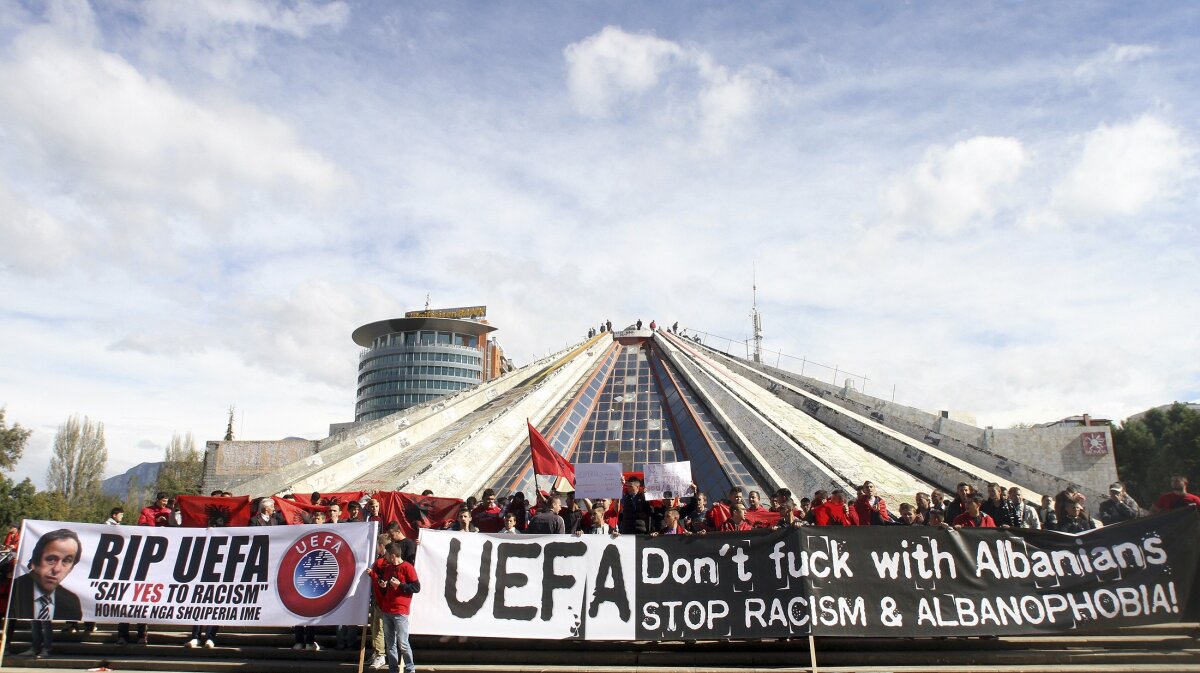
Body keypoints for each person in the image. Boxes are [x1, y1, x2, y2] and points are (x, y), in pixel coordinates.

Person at [12, 529, 83, 658]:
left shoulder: (72, 602)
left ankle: (46, 648)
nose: (57, 569)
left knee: (46, 623)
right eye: (51, 559)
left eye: (67, 561)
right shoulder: (19, 588)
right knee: (35, 622)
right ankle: (35, 647)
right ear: (35, 561)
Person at [372, 541, 420, 673]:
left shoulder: (408, 567)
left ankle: (410, 669)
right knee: (390, 643)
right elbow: (388, 586)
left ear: (392, 555)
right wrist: (384, 585)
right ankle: (393, 669)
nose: (385, 557)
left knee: (403, 643)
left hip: (400, 610)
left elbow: (416, 587)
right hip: (387, 609)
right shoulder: (389, 568)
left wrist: (400, 585)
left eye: (387, 554)